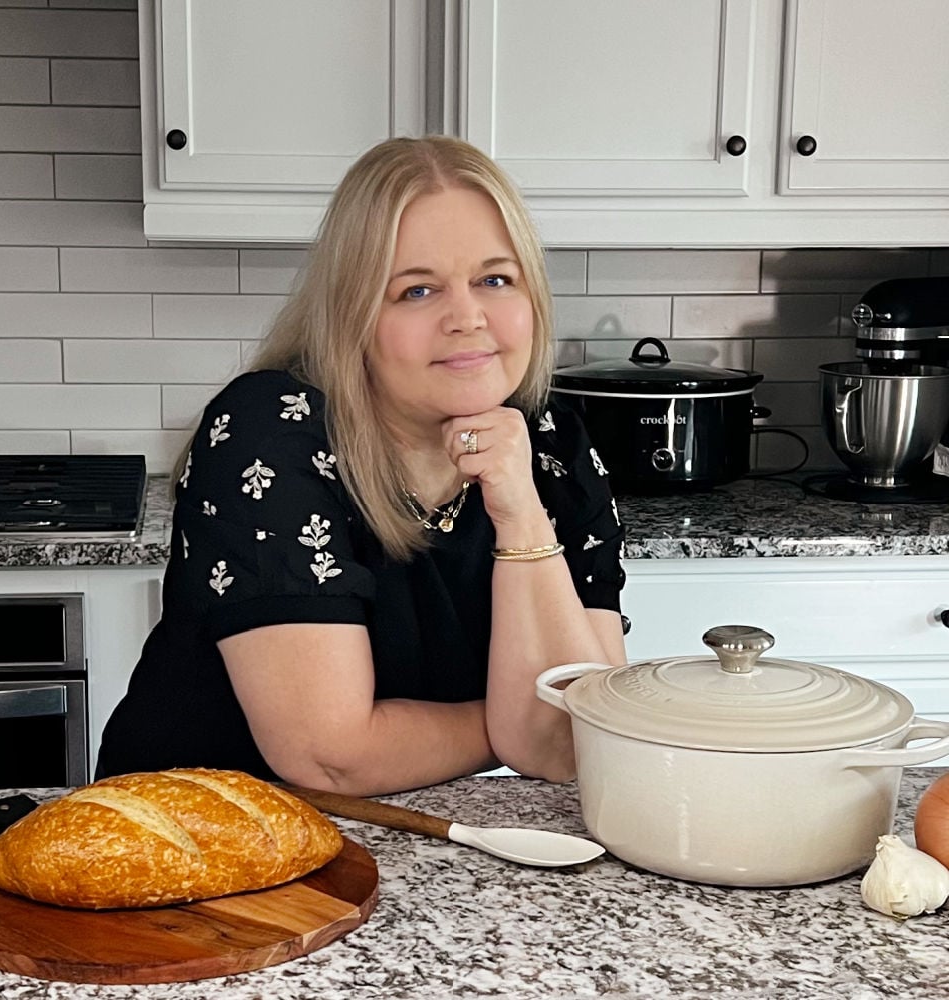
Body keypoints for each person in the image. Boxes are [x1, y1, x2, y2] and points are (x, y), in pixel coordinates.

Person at [96, 135, 627, 796]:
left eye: (495, 279)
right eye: (416, 291)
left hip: (413, 836)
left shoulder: (550, 443)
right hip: (193, 839)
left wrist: (519, 507)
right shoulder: (272, 429)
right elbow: (331, 755)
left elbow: (582, 739)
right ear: (354, 313)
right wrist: (515, 724)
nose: (467, 317)